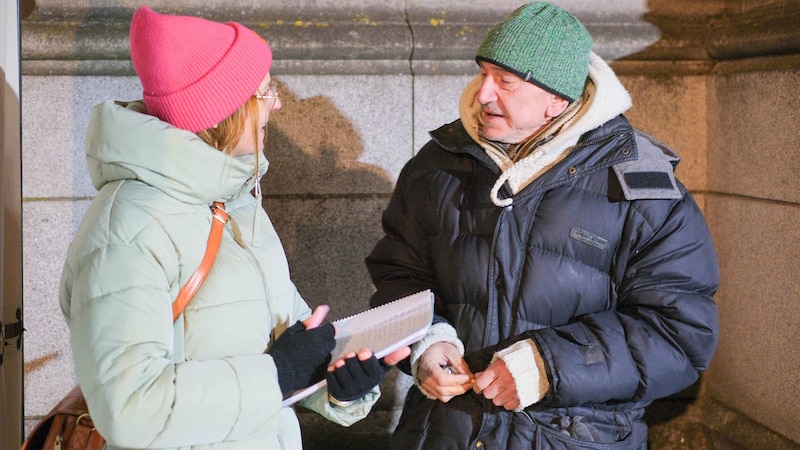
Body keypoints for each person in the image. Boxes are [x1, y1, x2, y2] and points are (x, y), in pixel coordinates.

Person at [365, 2, 720, 448]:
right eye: (483, 74)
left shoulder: (641, 188)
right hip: (444, 432)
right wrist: (426, 344)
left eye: (506, 82)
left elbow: (679, 334)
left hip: (572, 436)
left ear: (557, 99)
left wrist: (548, 367)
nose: (482, 94)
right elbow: (400, 275)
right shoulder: (437, 165)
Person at [58, 6, 406, 449]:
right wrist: (280, 373)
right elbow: (129, 407)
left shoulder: (236, 203)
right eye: (266, 91)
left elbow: (284, 347)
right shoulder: (128, 228)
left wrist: (336, 380)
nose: (277, 104)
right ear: (225, 112)